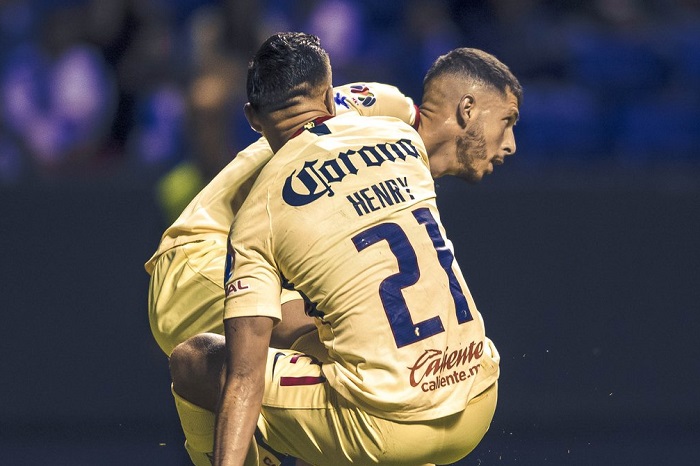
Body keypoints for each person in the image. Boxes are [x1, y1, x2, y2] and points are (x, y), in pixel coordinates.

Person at [170, 32, 521, 466]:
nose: (511, 144)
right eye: (508, 123)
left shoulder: (260, 211)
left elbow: (244, 378)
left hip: (387, 426)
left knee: (197, 360)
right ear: (329, 98)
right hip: (478, 394)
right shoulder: (400, 141)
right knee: (327, 346)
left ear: (253, 120)